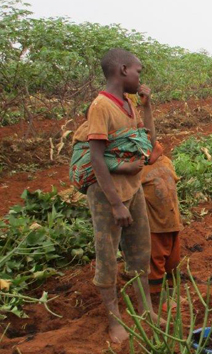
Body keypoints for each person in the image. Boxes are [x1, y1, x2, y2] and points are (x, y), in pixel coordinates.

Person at [70, 48, 157, 343]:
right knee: (107, 255)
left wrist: (147, 107)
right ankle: (114, 319)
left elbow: (148, 145)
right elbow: (96, 158)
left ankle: (145, 309)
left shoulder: (130, 103)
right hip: (107, 195)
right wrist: (116, 203)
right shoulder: (101, 107)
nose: (140, 77)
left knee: (140, 250)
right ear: (122, 70)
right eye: (138, 71)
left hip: (132, 189)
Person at [139, 154, 183, 295]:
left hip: (172, 222)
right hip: (154, 226)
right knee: (155, 263)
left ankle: (171, 295)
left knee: (173, 262)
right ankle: (158, 298)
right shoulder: (136, 167)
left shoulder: (165, 160)